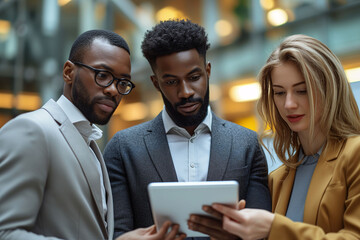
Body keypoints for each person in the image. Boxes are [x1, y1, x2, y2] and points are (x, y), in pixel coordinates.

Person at [0, 29, 185, 240]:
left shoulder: (89, 141)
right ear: (68, 72)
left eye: (122, 82)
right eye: (103, 75)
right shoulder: (32, 130)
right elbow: (5, 232)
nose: (113, 90)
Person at [104, 19, 271, 240]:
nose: (185, 92)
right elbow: (116, 233)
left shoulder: (246, 143)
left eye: (194, 78)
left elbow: (263, 233)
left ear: (208, 71)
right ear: (156, 83)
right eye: (172, 82)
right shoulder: (123, 148)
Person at [211, 34, 360, 240]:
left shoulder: (355, 155)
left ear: (330, 89)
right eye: (279, 93)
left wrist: (273, 227)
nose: (289, 104)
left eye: (302, 90)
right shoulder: (277, 179)